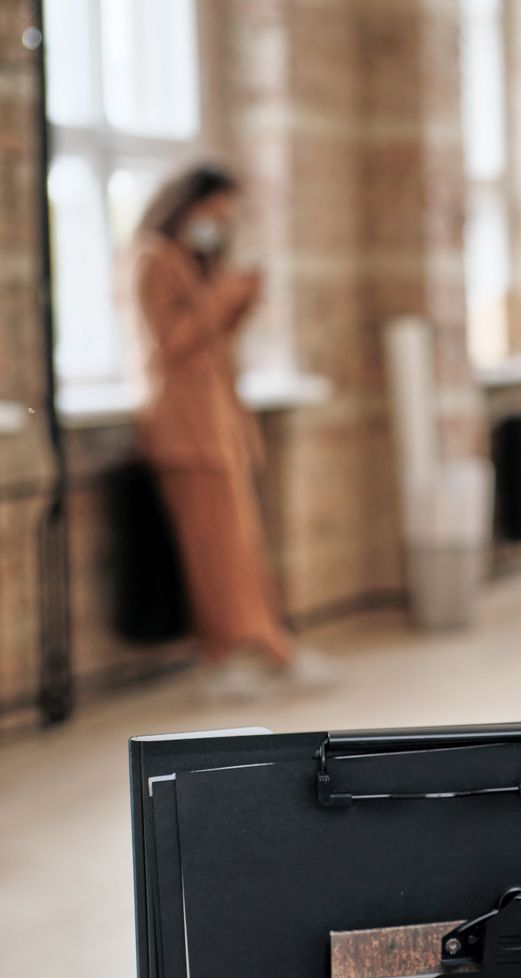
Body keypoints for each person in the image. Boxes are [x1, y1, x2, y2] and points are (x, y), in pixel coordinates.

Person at [130, 163, 332, 700]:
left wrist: (236, 301)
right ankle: (227, 657)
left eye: (227, 216)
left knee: (241, 549)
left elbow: (213, 342)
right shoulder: (154, 258)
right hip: (183, 430)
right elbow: (170, 343)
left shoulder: (198, 266)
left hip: (219, 428)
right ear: (187, 205)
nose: (219, 224)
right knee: (211, 552)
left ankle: (270, 648)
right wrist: (222, 296)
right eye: (214, 211)